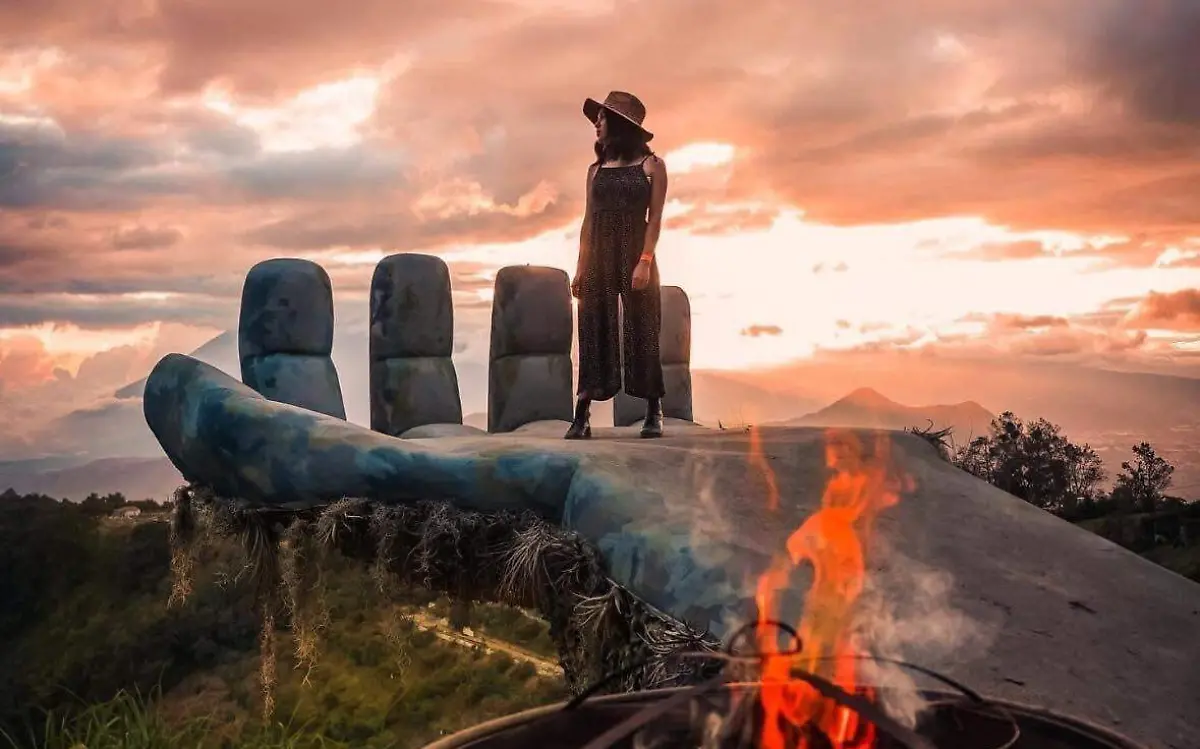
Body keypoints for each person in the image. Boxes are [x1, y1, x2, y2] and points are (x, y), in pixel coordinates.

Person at [566, 90, 669, 440]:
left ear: (620, 125)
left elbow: (655, 219)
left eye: (602, 119)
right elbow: (587, 220)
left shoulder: (652, 166)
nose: (596, 125)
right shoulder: (595, 170)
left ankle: (653, 409)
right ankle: (582, 414)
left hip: (635, 252)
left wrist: (645, 261)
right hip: (598, 253)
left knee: (643, 326)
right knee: (592, 328)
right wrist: (580, 267)